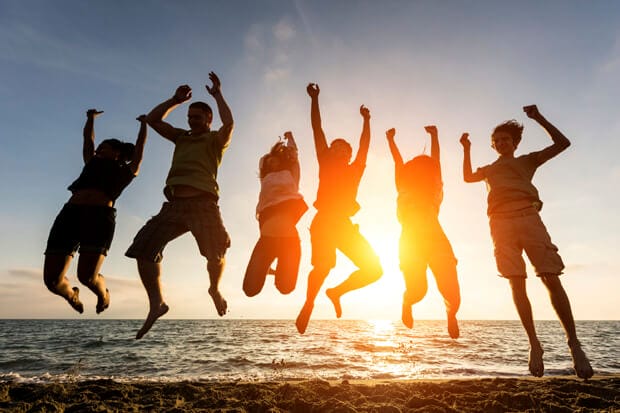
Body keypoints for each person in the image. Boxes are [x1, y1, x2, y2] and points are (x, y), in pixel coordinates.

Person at [459, 105, 593, 379]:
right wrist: (466, 147)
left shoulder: (527, 161)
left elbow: (562, 143)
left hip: (528, 217)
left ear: (514, 143)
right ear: (493, 146)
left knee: (550, 277)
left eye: (505, 139)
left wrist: (539, 118)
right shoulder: (488, 170)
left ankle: (574, 344)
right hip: (500, 223)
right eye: (495, 141)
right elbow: (467, 177)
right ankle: (534, 344)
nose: (500, 143)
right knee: (516, 281)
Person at [126, 72, 234, 339]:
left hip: (204, 203)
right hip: (173, 205)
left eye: (196, 117)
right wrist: (175, 100)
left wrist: (218, 94)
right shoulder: (181, 137)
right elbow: (153, 120)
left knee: (216, 253)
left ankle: (214, 289)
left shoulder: (215, 141)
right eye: (189, 118)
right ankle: (157, 304)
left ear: (208, 120)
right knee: (143, 249)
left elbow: (229, 122)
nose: (191, 121)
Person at [296, 83, 383, 334]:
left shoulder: (356, 169)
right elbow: (317, 129)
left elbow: (365, 145)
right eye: (335, 147)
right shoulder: (325, 162)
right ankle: (309, 303)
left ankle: (337, 292)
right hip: (323, 221)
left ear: (349, 155)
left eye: (345, 149)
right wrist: (314, 99)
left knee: (374, 269)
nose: (340, 150)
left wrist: (367, 120)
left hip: (344, 224)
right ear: (330, 151)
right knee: (323, 267)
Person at [44, 109, 148, 314]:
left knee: (87, 276)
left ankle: (103, 294)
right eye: (99, 146)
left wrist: (144, 125)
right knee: (52, 281)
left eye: (105, 147)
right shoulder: (91, 162)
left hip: (99, 219)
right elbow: (88, 140)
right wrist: (90, 119)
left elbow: (140, 152)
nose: (99, 148)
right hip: (70, 214)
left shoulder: (125, 172)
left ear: (117, 153)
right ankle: (71, 294)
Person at [386, 125, 461, 338]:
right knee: (418, 291)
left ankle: (451, 313)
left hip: (436, 238)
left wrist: (435, 136)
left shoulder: (434, 185)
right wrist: (391, 140)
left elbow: (436, 160)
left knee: (453, 294)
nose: (420, 168)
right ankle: (407, 302)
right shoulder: (402, 183)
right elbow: (397, 161)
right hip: (410, 241)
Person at [243, 132, 308, 297]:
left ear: (281, 160)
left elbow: (294, 156)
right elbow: (263, 163)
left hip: (289, 242)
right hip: (266, 241)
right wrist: (267, 159)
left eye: (273, 159)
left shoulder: (291, 175)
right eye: (268, 161)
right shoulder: (265, 179)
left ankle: (275, 267)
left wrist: (291, 138)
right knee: (250, 290)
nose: (270, 162)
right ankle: (267, 266)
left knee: (285, 288)